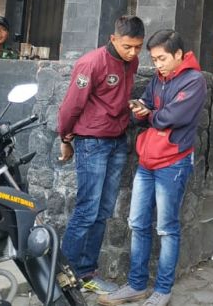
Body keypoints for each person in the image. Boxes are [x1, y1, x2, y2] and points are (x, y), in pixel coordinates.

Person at [100, 29, 206, 306]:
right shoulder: (159, 79)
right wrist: (142, 111)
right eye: (154, 59)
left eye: (162, 59)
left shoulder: (194, 81)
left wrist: (150, 115)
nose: (157, 64)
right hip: (147, 160)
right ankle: (136, 285)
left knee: (167, 228)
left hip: (174, 162)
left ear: (178, 54)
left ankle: (163, 289)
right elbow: (146, 105)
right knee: (137, 223)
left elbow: (173, 116)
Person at [57, 15, 145, 295]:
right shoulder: (91, 63)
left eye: (138, 47)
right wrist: (65, 138)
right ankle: (63, 277)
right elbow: (71, 106)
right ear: (113, 39)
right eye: (127, 46)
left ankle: (86, 273)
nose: (132, 53)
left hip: (117, 141)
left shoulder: (132, 62)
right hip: (92, 142)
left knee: (103, 211)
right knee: (86, 210)